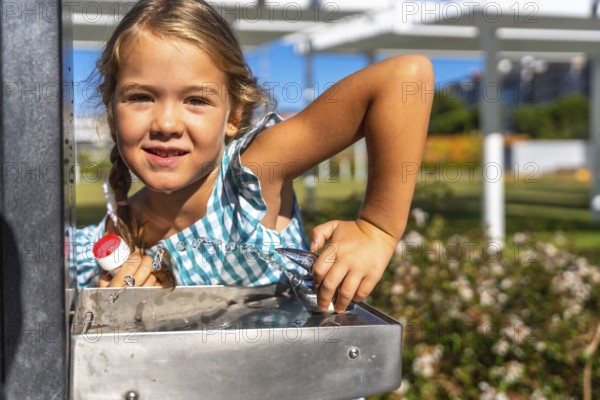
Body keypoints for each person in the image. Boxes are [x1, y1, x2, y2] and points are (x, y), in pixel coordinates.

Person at [75, 0, 433, 313]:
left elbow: (407, 78)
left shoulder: (251, 174)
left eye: (196, 100)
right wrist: (111, 309)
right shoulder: (112, 233)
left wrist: (377, 229)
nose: (166, 123)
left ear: (232, 117)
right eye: (140, 97)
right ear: (111, 110)